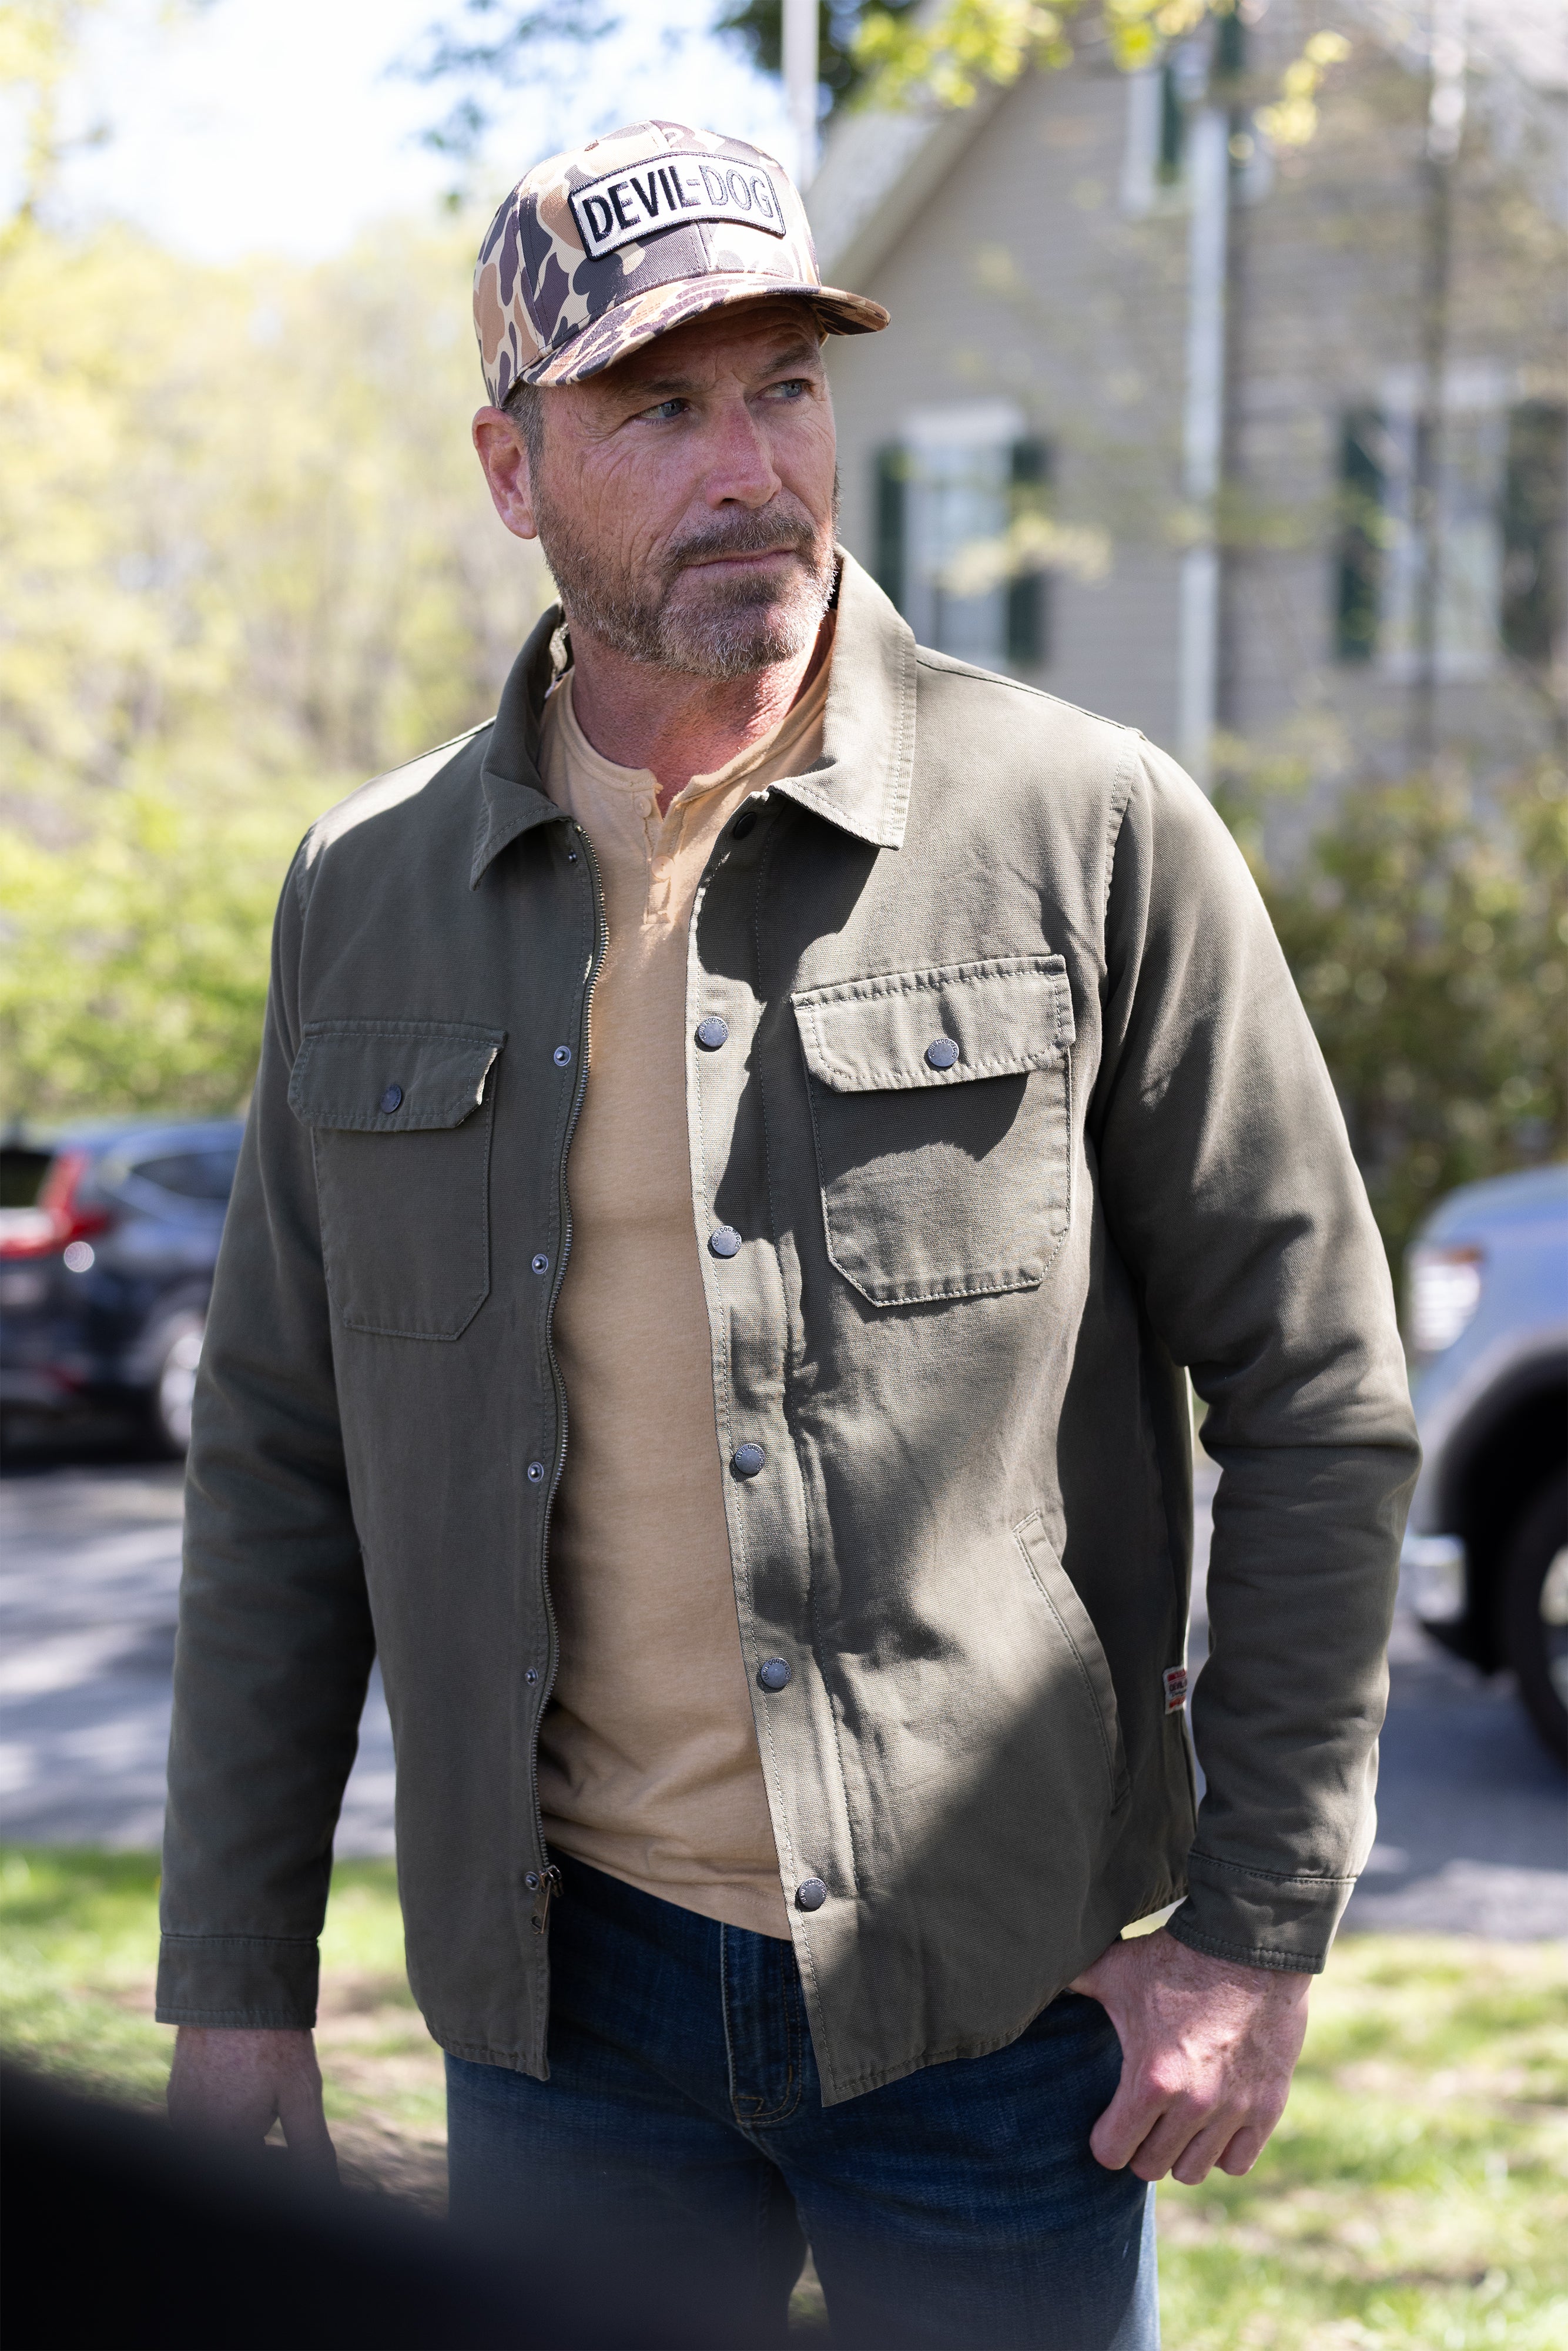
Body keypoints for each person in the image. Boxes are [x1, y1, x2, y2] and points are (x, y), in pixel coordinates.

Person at [159, 120, 1419, 2350]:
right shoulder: (367, 896)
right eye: (660, 407)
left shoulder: (1086, 828)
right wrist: (237, 1980)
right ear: (511, 469)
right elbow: (279, 1458)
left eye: (787, 389)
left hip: (993, 2005)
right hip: (562, 2015)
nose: (749, 466)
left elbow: (1317, 1397)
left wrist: (1251, 1933)